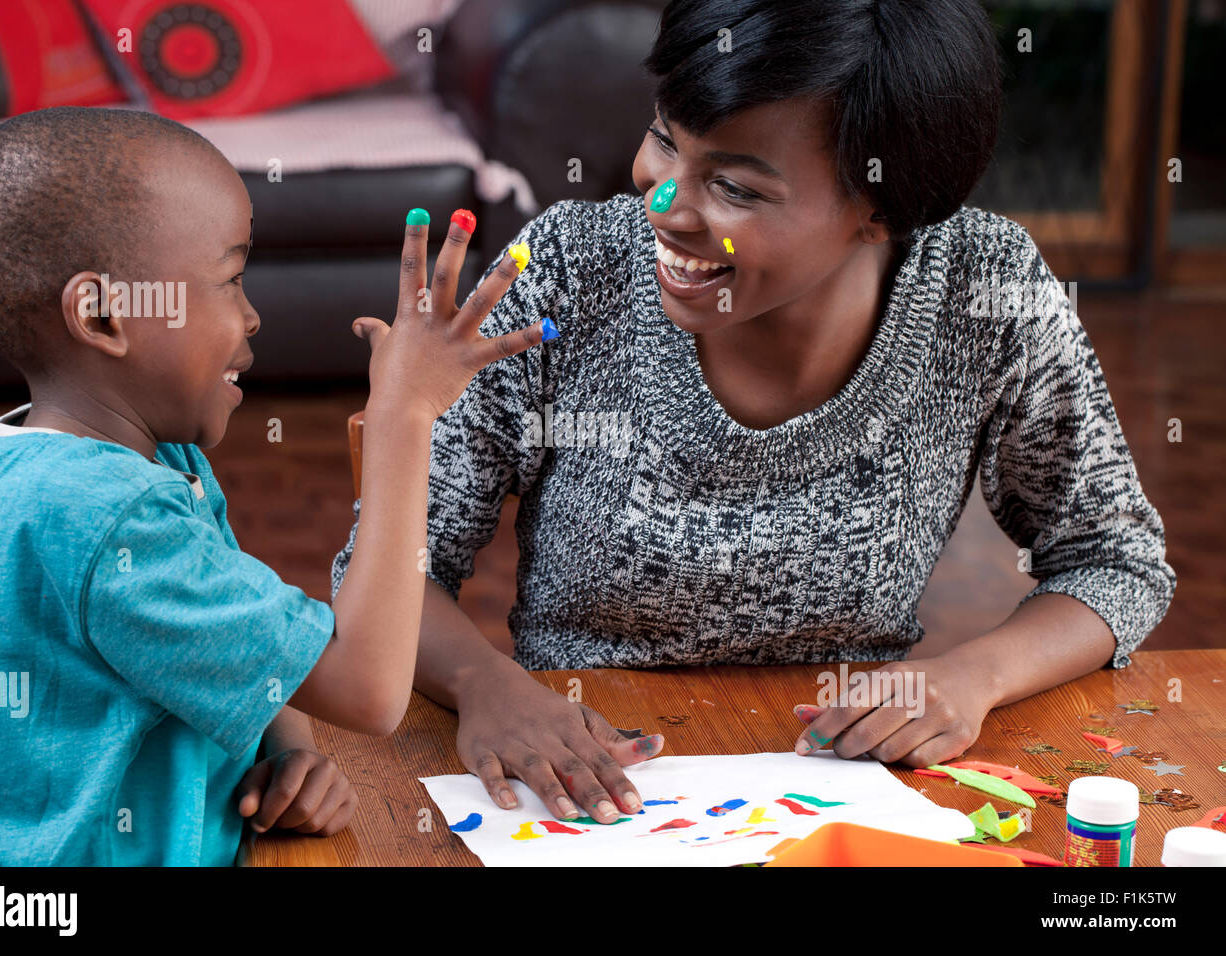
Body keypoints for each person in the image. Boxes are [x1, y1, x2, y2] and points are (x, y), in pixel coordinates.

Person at [330, 0, 1176, 826]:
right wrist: (488, 685)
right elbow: (387, 571)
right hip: (588, 788)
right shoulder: (564, 270)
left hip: (846, 798)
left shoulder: (982, 287)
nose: (663, 205)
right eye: (665, 137)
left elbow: (1116, 560)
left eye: (732, 185)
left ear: (883, 207)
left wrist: (970, 677)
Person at [0, 106, 541, 864]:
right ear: (101, 314)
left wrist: (285, 747)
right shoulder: (111, 517)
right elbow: (366, 690)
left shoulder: (132, 461)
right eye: (228, 279)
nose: (252, 317)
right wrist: (404, 417)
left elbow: (245, 642)